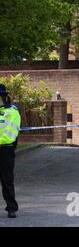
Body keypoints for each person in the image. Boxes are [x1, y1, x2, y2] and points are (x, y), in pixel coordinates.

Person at [0, 84, 20, 218]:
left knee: (7, 180)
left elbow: (9, 135)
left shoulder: (12, 112)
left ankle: (11, 208)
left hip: (5, 150)